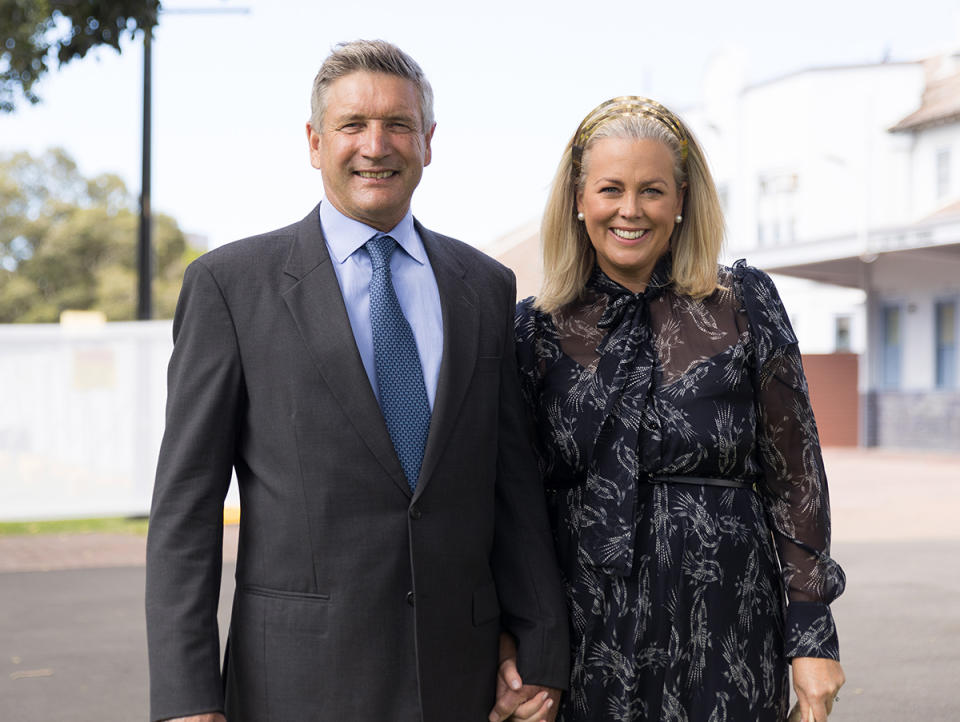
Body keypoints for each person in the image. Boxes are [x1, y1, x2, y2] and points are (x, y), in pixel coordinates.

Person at [145, 39, 569, 722]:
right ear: (315, 143)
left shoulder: (485, 288)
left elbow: (510, 480)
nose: (377, 145)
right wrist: (186, 698)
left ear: (428, 142)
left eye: (398, 124)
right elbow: (185, 510)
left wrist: (542, 645)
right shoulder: (231, 288)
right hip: (294, 684)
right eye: (352, 126)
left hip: (459, 683)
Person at [508, 97, 847, 722]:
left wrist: (811, 635)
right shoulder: (533, 330)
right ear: (579, 200)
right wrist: (516, 642)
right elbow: (513, 506)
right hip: (585, 636)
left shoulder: (744, 301)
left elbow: (796, 473)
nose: (629, 210)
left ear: (683, 198)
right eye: (610, 189)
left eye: (652, 190)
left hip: (729, 625)